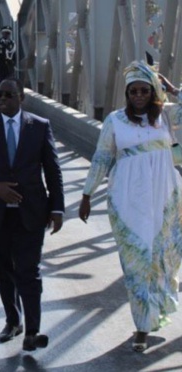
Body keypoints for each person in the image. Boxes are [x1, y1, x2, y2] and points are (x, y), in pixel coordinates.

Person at [78, 60, 182, 352]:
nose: (138, 95)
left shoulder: (167, 117)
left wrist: (172, 90)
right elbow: (101, 158)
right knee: (137, 263)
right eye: (133, 91)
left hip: (165, 200)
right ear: (126, 94)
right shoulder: (114, 120)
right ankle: (141, 327)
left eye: (145, 90)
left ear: (153, 91)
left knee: (162, 261)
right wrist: (87, 194)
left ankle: (155, 313)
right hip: (128, 201)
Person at [0, 78, 64, 352]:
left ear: (22, 98)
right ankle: (13, 319)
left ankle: (33, 331)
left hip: (31, 212)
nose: (2, 99)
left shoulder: (39, 127)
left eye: (9, 95)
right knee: (3, 270)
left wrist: (57, 208)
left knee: (29, 272)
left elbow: (52, 169)